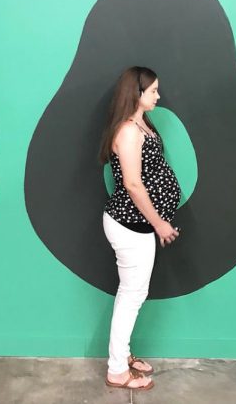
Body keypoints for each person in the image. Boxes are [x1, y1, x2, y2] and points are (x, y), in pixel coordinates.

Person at [98, 66, 182, 391]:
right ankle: (117, 369)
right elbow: (133, 184)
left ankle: (124, 354)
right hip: (130, 225)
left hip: (137, 225)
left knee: (134, 292)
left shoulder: (141, 123)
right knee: (132, 294)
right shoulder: (128, 131)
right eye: (154, 91)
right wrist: (159, 223)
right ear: (138, 93)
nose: (158, 96)